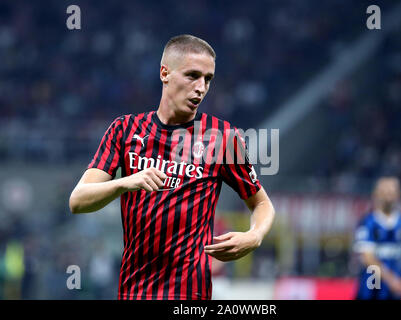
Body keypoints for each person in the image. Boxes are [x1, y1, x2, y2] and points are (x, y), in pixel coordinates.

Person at [69, 34, 275, 300]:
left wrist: (255, 236)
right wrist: (126, 182)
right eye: (192, 75)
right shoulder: (124, 130)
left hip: (190, 296)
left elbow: (262, 203)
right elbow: (78, 201)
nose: (201, 87)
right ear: (165, 73)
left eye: (208, 79)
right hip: (135, 292)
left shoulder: (223, 137)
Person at [353, 177, 401, 299]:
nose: (388, 196)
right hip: (372, 288)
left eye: (391, 192)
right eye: (384, 192)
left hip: (394, 290)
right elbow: (368, 259)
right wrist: (391, 280)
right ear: (376, 194)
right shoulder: (368, 223)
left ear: (398, 194)